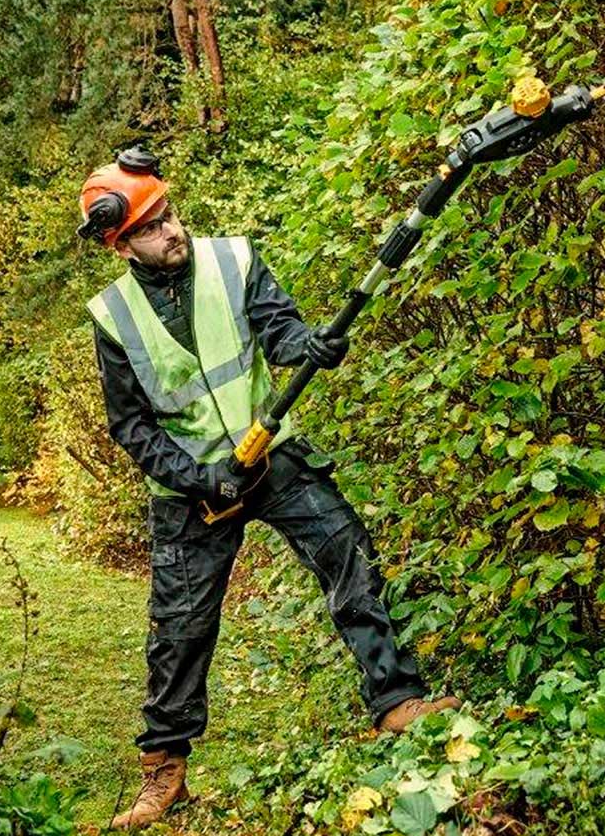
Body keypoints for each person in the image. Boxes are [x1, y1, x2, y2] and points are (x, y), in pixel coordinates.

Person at [78, 148, 459, 830]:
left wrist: (307, 345)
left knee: (347, 552)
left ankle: (397, 701)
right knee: (180, 630)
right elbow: (130, 427)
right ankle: (164, 772)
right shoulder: (113, 316)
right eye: (154, 226)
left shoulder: (232, 260)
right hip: (189, 490)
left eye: (171, 214)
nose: (173, 231)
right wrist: (200, 478)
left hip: (270, 457)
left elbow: (277, 327)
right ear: (121, 242)